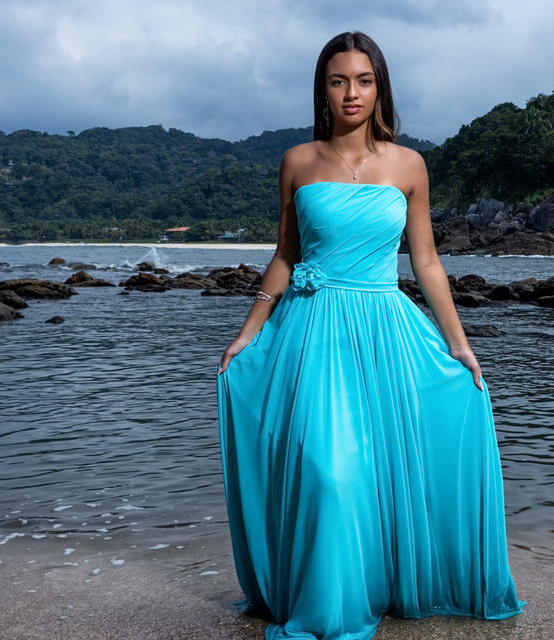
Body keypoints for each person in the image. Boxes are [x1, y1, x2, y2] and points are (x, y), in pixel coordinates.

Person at [216, 31, 525, 640]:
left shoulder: (409, 165)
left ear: (379, 87)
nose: (350, 92)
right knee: (330, 472)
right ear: (322, 90)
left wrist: (459, 343)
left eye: (362, 80)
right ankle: (328, 605)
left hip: (386, 329)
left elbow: (427, 262)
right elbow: (284, 256)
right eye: (338, 81)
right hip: (311, 333)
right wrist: (247, 333)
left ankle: (376, 585)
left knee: (381, 467)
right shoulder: (298, 162)